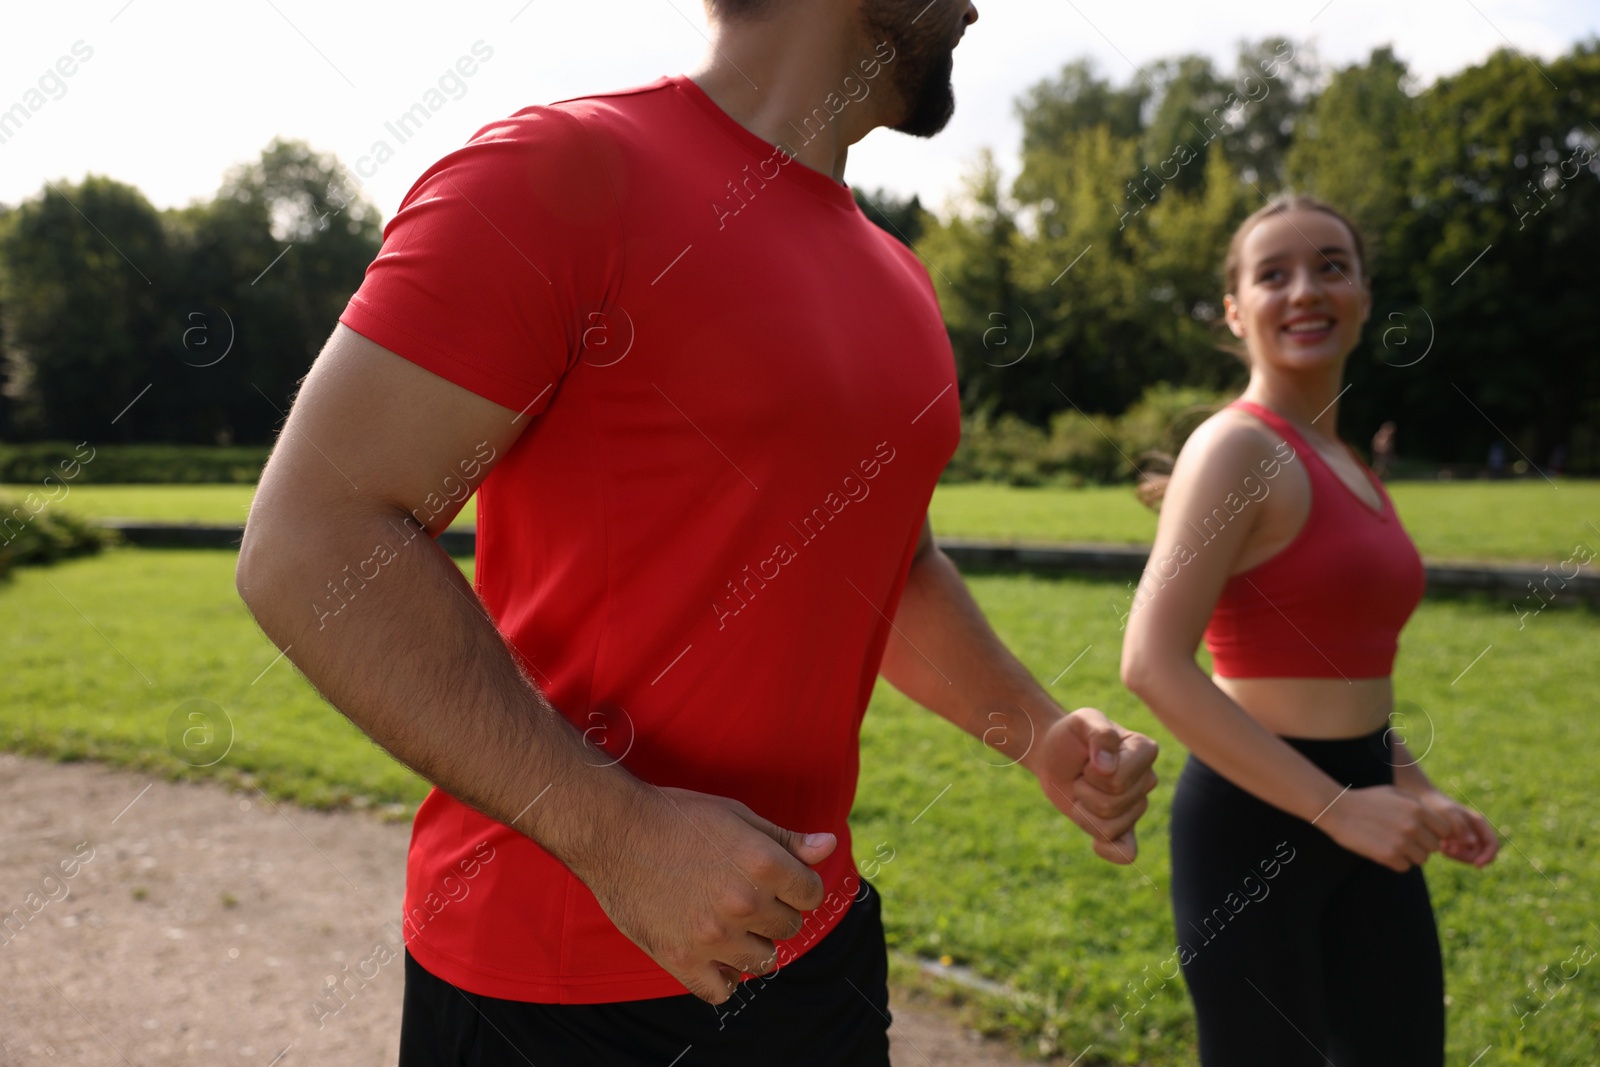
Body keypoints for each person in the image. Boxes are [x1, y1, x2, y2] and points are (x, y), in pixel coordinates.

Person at [236, 2, 1160, 1064]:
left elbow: (884, 564)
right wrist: (618, 835)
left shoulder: (900, 279)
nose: (972, 6)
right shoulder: (561, 172)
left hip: (813, 948)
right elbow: (311, 538)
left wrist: (1038, 731)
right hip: (552, 982)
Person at [1119, 194, 1499, 1066]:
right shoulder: (1236, 448)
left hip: (1372, 804)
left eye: (1332, 265)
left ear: (1365, 293)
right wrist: (1337, 809)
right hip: (1256, 826)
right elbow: (1151, 663)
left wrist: (1419, 789)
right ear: (1234, 309)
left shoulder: (1347, 460)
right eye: (1273, 273)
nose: (1305, 290)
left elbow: (1346, 682)